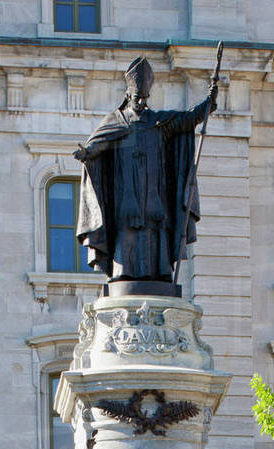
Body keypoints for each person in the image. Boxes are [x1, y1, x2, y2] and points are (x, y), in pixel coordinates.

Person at [74, 56, 217, 283]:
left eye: (144, 98)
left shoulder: (158, 122)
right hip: (126, 191)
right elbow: (98, 144)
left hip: (154, 191)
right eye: (136, 98)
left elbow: (187, 119)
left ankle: (159, 273)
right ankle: (123, 272)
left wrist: (208, 104)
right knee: (127, 228)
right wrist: (87, 152)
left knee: (154, 228)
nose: (140, 102)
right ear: (128, 96)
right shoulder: (117, 121)